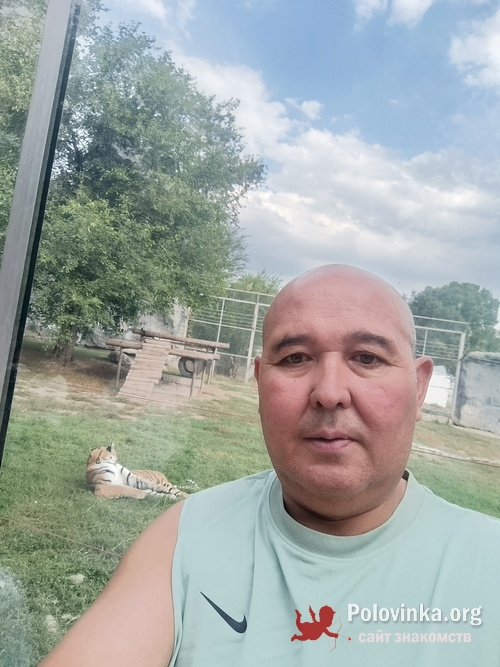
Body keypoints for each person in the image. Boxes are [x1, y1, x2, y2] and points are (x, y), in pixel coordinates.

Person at [39, 265, 500, 666]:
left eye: (367, 358)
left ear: (419, 389)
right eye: (296, 358)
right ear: (260, 385)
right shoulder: (184, 538)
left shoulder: (488, 564)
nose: (329, 392)